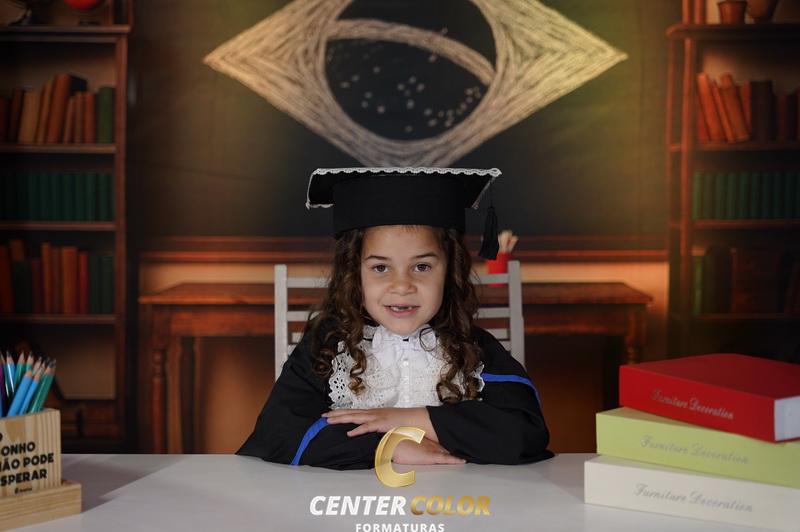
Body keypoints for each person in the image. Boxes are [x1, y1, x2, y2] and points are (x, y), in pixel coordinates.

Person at [238, 167, 552, 470]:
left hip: (455, 500)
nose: (402, 286)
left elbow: (524, 432)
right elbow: (279, 433)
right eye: (380, 268)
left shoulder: (473, 349)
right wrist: (389, 445)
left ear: (450, 271)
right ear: (354, 273)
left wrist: (410, 418)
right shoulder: (328, 347)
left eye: (422, 267)